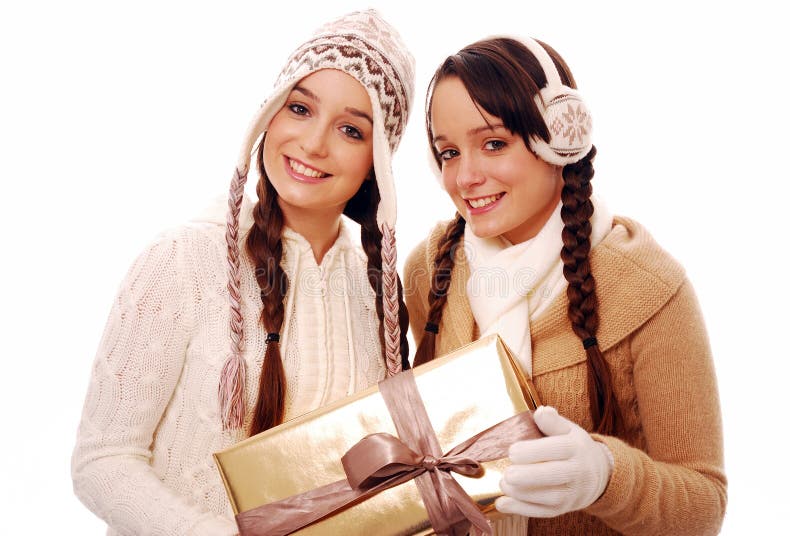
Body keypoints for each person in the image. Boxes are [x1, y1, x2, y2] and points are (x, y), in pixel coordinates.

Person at [71, 10, 414, 535]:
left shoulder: (378, 290)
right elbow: (101, 462)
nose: (314, 143)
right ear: (270, 115)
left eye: (350, 129)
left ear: (378, 160)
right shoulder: (184, 258)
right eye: (300, 108)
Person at [404, 36, 726, 535]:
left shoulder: (648, 289)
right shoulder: (431, 268)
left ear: (560, 138)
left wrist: (605, 478)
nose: (464, 176)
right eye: (448, 152)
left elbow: (705, 506)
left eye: (493, 143)